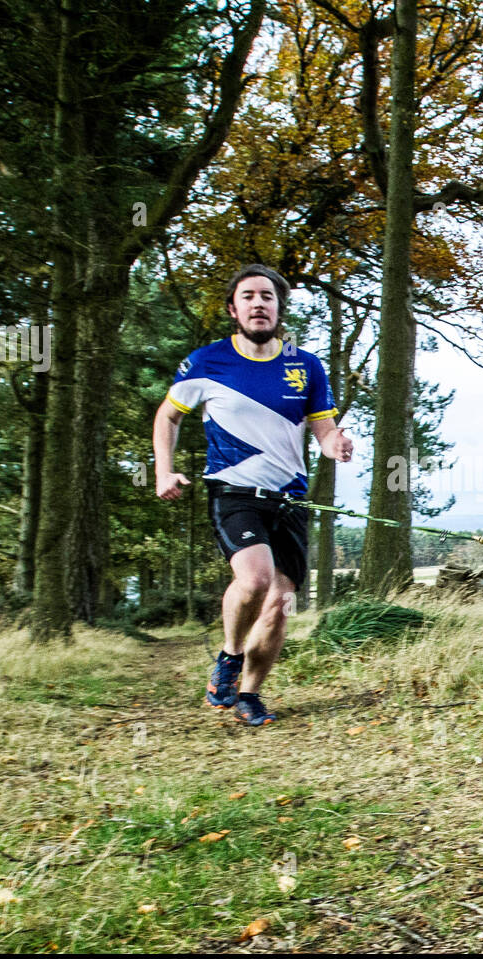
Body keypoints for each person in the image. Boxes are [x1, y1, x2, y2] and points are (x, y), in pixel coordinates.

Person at [152, 264, 353, 725]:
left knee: (280, 605)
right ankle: (229, 654)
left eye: (267, 296)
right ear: (233, 309)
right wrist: (165, 470)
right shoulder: (207, 361)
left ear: (279, 309)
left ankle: (249, 694)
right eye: (248, 296)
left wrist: (333, 444)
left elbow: (322, 427)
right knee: (256, 578)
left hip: (291, 499)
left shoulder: (306, 365)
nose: (258, 303)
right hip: (234, 492)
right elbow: (168, 417)